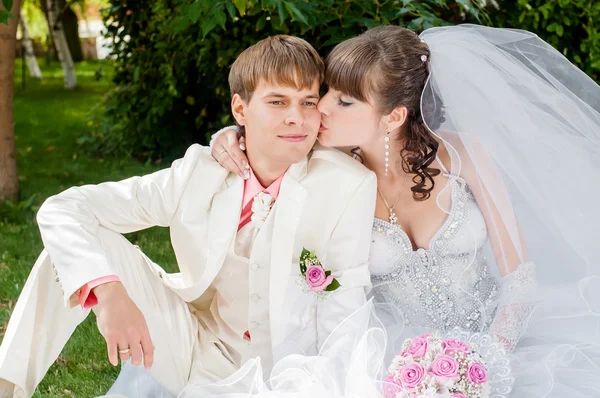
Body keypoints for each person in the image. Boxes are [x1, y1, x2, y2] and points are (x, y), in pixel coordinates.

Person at [210, 24, 600, 397]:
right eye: (327, 92)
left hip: (499, 346)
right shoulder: (321, 163)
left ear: (394, 116)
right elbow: (264, 141)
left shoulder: (465, 155)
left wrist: (488, 361)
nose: (322, 108)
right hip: (392, 363)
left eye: (345, 101)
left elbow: (520, 277)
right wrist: (229, 136)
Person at [0, 35, 377, 398]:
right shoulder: (202, 170)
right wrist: (110, 293)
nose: (297, 118)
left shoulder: (345, 185)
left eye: (308, 102)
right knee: (67, 260)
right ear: (240, 110)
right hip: (194, 345)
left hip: (285, 371)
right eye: (277, 102)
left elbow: (345, 311)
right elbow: (64, 208)